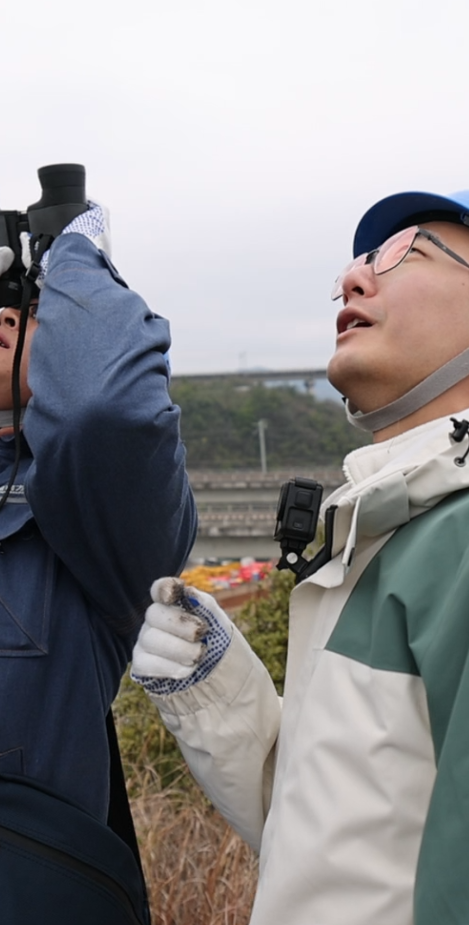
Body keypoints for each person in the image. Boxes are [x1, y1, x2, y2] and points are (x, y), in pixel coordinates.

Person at [131, 188, 469, 925]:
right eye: (357, 261)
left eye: (404, 253)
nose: (352, 278)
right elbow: (336, 842)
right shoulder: (392, 528)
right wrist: (220, 692)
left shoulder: (456, 538)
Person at [0, 203, 197, 860]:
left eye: (33, 315)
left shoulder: (102, 502)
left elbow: (107, 409)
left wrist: (76, 261)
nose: (2, 317)